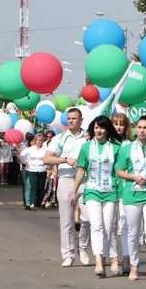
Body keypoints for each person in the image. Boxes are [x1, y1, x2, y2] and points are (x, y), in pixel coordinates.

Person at [72, 116, 122, 278]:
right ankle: (99, 261)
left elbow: (120, 170)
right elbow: (81, 169)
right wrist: (74, 189)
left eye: (102, 128)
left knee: (109, 227)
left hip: (111, 191)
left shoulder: (116, 147)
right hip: (92, 190)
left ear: (107, 130)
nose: (98, 131)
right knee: (96, 226)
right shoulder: (86, 147)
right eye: (96, 128)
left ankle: (113, 258)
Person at [115, 116, 146, 282]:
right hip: (132, 194)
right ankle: (134, 266)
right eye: (139, 127)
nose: (142, 130)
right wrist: (134, 177)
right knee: (133, 233)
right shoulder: (126, 148)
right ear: (136, 129)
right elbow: (119, 171)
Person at [44, 108, 90, 267]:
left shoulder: (87, 138)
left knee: (88, 218)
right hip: (66, 179)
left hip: (85, 180)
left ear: (81, 120)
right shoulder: (60, 138)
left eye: (74, 118)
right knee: (66, 220)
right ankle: (68, 254)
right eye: (69, 118)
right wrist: (64, 160)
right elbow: (47, 158)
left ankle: (82, 247)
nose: (71, 121)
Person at [111, 113, 133, 274]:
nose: (118, 127)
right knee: (110, 225)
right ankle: (113, 257)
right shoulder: (106, 143)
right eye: (115, 124)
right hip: (108, 188)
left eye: (121, 124)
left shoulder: (129, 144)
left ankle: (127, 258)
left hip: (125, 188)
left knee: (125, 225)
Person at [18, 132, 48, 210]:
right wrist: (25, 162)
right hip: (31, 169)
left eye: (41, 140)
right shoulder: (30, 149)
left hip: (42, 170)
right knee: (30, 187)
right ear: (35, 141)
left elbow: (49, 158)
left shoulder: (45, 150)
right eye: (38, 140)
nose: (39, 142)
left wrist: (48, 167)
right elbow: (22, 156)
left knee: (40, 187)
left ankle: (37, 202)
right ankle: (29, 203)